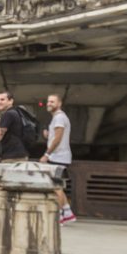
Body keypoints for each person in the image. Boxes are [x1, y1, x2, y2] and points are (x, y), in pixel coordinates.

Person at [40, 94, 77, 224]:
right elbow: (56, 136)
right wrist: (48, 135)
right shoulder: (57, 118)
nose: (49, 103)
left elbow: (58, 138)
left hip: (58, 157)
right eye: (48, 101)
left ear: (59, 104)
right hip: (60, 156)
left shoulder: (60, 117)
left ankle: (60, 216)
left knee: (56, 187)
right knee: (59, 186)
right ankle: (68, 213)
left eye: (52, 101)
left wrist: (47, 154)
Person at [0, 90, 28, 161]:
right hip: (20, 154)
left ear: (11, 101)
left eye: (2, 99)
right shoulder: (16, 112)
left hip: (12, 157)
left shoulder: (8, 114)